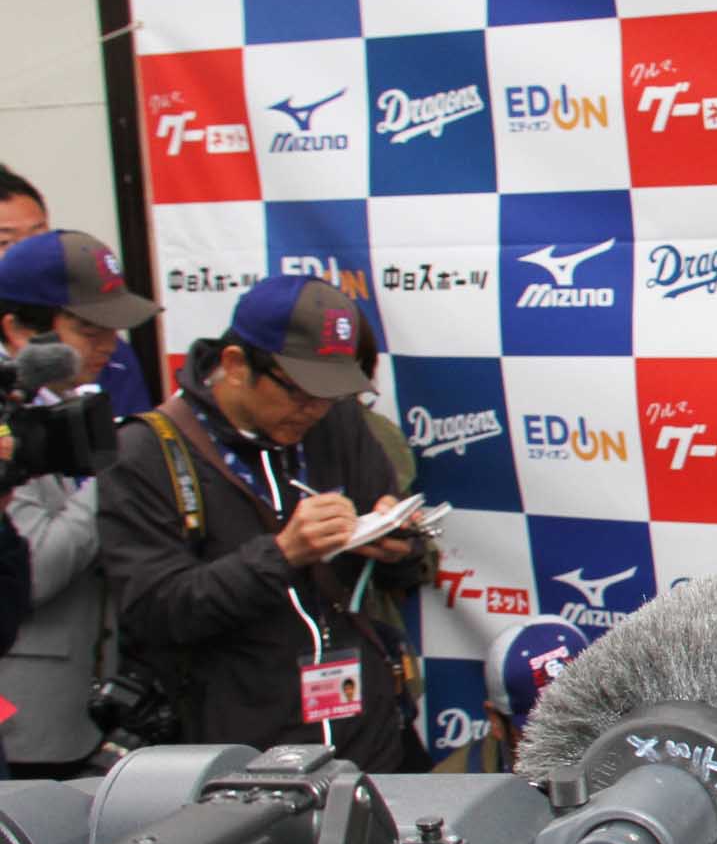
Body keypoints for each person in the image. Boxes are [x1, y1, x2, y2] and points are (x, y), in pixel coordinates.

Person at [96, 274, 426, 772]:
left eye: (332, 392)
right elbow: (155, 611)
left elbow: (399, 571)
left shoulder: (337, 422)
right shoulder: (146, 451)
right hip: (240, 755)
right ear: (235, 366)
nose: (315, 408)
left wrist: (400, 543)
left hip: (367, 735)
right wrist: (284, 553)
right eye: (300, 391)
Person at [0, 229, 160, 773]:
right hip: (26, 715)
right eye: (89, 330)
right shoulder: (9, 420)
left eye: (113, 331)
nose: (108, 346)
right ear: (19, 330)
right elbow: (36, 567)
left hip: (93, 706)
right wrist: (112, 467)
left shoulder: (75, 403)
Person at [0, 166, 151, 417]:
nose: (27, 254)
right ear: (16, 330)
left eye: (39, 236)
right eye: (4, 242)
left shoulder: (109, 354)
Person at [482, 616, 588, 768]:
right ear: (496, 722)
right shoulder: (457, 786)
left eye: (584, 720)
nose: (570, 745)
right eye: (544, 733)